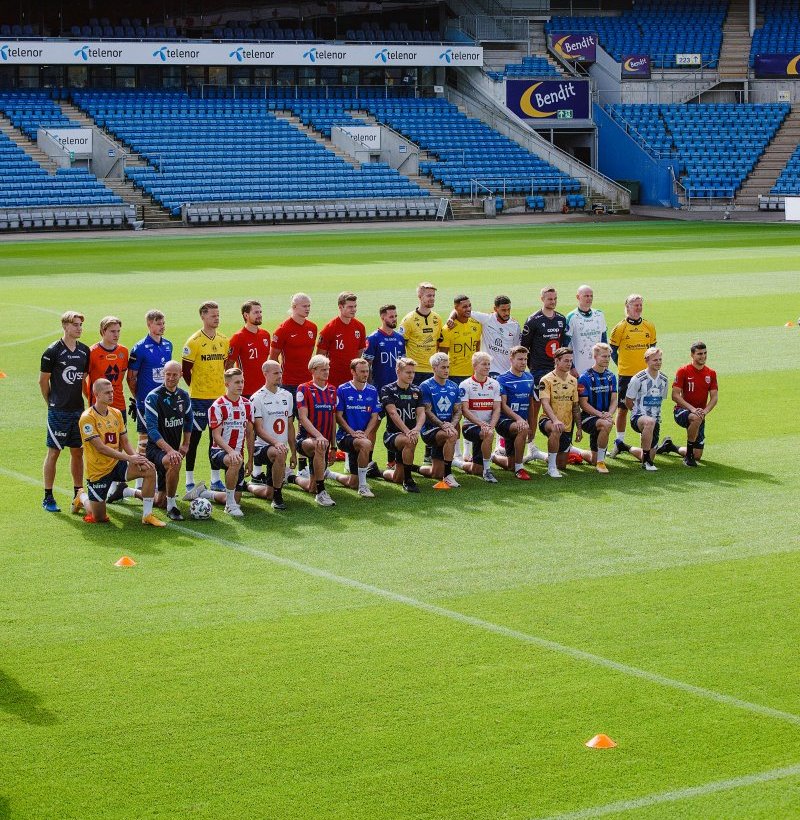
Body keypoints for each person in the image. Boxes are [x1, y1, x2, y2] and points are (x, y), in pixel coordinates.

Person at [76, 378, 164, 526]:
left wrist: (136, 458)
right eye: (107, 393)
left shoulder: (116, 413)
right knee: (99, 517)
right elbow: (101, 448)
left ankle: (147, 515)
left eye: (112, 391)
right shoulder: (87, 418)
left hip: (116, 464)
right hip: (98, 472)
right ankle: (82, 497)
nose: (111, 395)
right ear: (96, 394)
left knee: (149, 469)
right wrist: (129, 458)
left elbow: (125, 442)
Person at [40, 310, 90, 514]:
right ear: (65, 326)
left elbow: (83, 377)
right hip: (58, 411)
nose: (79, 328)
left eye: (80, 325)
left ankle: (78, 493)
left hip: (78, 410)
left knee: (78, 452)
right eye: (75, 324)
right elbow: (43, 381)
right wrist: (51, 402)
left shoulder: (85, 351)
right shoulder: (52, 351)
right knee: (54, 452)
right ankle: (48, 496)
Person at [182, 301, 229, 493]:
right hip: (199, 400)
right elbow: (186, 372)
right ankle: (189, 479)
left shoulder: (224, 340)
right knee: (193, 439)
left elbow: (224, 366)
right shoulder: (193, 342)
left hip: (218, 399)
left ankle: (215, 479)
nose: (216, 318)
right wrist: (197, 389)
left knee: (216, 439)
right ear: (203, 316)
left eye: (218, 315)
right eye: (212, 315)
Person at [270, 293, 317, 472]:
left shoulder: (312, 327)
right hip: (288, 384)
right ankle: (287, 463)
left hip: (306, 385)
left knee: (305, 423)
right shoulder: (282, 329)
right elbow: (273, 359)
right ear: (294, 307)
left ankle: (304, 467)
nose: (307, 308)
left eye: (308, 306)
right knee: (287, 424)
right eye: (304, 306)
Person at [521, 286, 567, 463]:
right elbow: (525, 347)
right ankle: (531, 446)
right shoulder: (533, 320)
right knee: (535, 407)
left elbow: (563, 346)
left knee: (559, 405)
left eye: (555, 298)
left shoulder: (561, 319)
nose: (553, 302)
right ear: (542, 299)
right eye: (549, 299)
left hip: (556, 371)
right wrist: (530, 368)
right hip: (539, 371)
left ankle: (559, 445)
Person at [144, 360, 193, 520]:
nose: (171, 378)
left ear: (181, 375)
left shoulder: (183, 396)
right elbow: (151, 430)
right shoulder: (153, 397)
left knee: (159, 501)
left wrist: (185, 444)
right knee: (175, 461)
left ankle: (126, 491)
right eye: (168, 374)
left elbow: (188, 420)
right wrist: (171, 450)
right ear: (163, 374)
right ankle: (172, 506)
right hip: (156, 450)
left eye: (174, 374)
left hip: (171, 450)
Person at [204, 367, 256, 517]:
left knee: (237, 498)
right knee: (234, 462)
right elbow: (216, 436)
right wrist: (231, 451)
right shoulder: (217, 406)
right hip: (219, 452)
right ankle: (229, 506)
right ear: (227, 384)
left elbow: (250, 433)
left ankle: (206, 493)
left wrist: (250, 459)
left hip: (238, 456)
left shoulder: (247, 405)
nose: (241, 385)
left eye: (242, 382)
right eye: (236, 382)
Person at [609, 294, 657, 457]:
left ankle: (646, 444)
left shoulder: (649, 327)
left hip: (645, 376)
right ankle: (618, 442)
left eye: (640, 305)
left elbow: (653, 351)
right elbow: (612, 351)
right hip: (627, 375)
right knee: (622, 409)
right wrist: (622, 365)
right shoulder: (620, 327)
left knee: (647, 408)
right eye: (635, 305)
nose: (638, 307)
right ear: (627, 307)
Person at [658, 341, 718, 466]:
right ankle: (688, 457)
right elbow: (675, 395)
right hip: (681, 411)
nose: (703, 356)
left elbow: (714, 397)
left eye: (705, 353)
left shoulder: (711, 373)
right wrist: (693, 409)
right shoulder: (683, 371)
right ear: (692, 355)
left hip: (700, 415)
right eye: (699, 354)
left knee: (698, 455)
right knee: (695, 418)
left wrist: (705, 411)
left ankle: (671, 446)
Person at [248, 360, 296, 509]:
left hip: (279, 448)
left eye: (280, 372)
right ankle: (278, 495)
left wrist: (294, 452)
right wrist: (276, 443)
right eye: (276, 373)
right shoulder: (257, 398)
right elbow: (259, 429)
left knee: (266, 493)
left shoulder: (287, 396)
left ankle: (248, 486)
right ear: (265, 374)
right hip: (261, 447)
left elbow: (289, 425)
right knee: (280, 453)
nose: (280, 375)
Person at [363, 304, 406, 469]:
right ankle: (367, 461)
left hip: (396, 390)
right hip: (379, 390)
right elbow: (366, 365)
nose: (394, 319)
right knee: (373, 426)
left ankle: (392, 461)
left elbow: (402, 365)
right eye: (390, 316)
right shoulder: (373, 338)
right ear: (382, 317)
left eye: (395, 316)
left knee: (396, 425)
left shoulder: (400, 339)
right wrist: (371, 388)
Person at [294, 355, 339, 507]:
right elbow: (303, 417)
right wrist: (319, 435)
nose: (326, 372)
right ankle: (321, 493)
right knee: (319, 445)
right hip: (305, 440)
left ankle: (291, 479)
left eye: (328, 369)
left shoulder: (332, 390)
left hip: (324, 443)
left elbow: (333, 420)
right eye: (323, 369)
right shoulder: (304, 388)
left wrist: (334, 446)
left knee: (310, 487)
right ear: (313, 371)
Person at [334, 358, 381, 498]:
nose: (365, 374)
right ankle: (363, 486)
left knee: (352, 483)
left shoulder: (372, 390)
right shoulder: (343, 390)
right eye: (362, 371)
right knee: (366, 444)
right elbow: (338, 416)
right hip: (345, 436)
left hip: (362, 437)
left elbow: (374, 417)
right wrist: (353, 433)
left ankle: (329, 474)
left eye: (367, 371)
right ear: (352, 372)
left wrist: (365, 434)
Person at [379, 357, 426, 493]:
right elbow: (393, 413)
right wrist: (407, 431)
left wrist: (416, 429)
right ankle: (409, 480)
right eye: (408, 372)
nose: (411, 375)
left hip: (409, 434)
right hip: (392, 435)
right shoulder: (387, 389)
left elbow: (421, 413)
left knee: (397, 478)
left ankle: (378, 472)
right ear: (398, 372)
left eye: (413, 372)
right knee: (409, 440)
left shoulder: (417, 390)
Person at [538, 347, 583, 479]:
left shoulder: (573, 381)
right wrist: (555, 420)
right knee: (556, 429)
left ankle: (540, 455)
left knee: (562, 465)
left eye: (570, 361)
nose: (569, 363)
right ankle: (551, 468)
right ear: (557, 361)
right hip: (548, 420)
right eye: (566, 361)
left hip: (567, 425)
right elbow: (545, 403)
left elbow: (575, 406)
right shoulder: (546, 380)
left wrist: (579, 428)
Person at [418, 352, 462, 489]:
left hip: (446, 428)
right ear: (434, 368)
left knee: (435, 473)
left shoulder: (454, 386)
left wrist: (451, 424)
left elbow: (458, 410)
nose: (447, 370)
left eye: (448, 367)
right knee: (452, 434)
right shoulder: (425, 386)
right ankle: (448, 475)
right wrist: (443, 425)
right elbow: (427, 411)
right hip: (430, 430)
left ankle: (414, 469)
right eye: (443, 367)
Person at [492, 346, 536, 480]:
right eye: (520, 359)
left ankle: (492, 457)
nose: (523, 362)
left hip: (519, 423)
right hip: (504, 422)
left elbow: (531, 404)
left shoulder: (529, 377)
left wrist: (532, 428)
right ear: (511, 360)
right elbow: (503, 405)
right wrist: (519, 419)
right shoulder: (502, 379)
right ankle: (520, 468)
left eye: (525, 359)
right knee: (522, 429)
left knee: (509, 465)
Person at [458, 351, 501, 483]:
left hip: (486, 428)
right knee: (487, 433)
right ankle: (487, 471)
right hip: (470, 427)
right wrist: (481, 424)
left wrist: (491, 426)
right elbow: (464, 410)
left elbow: (497, 408)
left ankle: (457, 463)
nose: (487, 367)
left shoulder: (494, 384)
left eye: (489, 364)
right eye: (484, 364)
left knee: (476, 469)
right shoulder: (465, 385)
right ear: (475, 366)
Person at [624, 347, 669, 471]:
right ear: (647, 361)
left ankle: (624, 446)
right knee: (649, 422)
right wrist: (638, 413)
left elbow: (660, 400)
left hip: (655, 420)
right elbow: (628, 401)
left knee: (650, 454)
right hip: (638, 418)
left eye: (660, 359)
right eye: (655, 360)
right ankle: (646, 463)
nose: (658, 362)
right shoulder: (638, 379)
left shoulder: (664, 379)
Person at [577, 343, 618, 474]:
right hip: (588, 417)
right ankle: (601, 463)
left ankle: (576, 451)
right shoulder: (585, 377)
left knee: (592, 460)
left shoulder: (611, 376)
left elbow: (614, 400)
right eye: (604, 356)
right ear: (595, 357)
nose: (607, 359)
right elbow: (583, 404)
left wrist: (609, 414)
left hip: (604, 417)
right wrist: (601, 415)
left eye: (609, 356)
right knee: (606, 424)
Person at [317, 291, 367, 388]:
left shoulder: (360, 327)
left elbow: (359, 351)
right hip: (332, 381)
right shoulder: (329, 328)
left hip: (351, 380)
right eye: (350, 307)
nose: (354, 310)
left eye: (355, 306)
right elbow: (320, 356)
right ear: (340, 307)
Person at [226, 300, 271, 399]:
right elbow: (229, 364)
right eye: (255, 312)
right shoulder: (238, 337)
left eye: (260, 312)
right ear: (246, 315)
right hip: (246, 391)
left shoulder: (265, 335)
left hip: (264, 389)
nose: (259, 315)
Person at [85, 316, 129, 415]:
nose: (116, 335)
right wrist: (92, 396)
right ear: (103, 332)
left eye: (118, 331)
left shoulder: (124, 351)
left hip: (119, 404)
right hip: (99, 406)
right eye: (112, 331)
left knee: (121, 431)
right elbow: (82, 380)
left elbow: (120, 378)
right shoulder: (92, 352)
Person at [400, 282, 442, 386]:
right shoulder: (408, 320)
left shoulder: (437, 318)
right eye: (428, 296)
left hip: (432, 369)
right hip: (415, 370)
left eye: (433, 296)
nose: (432, 298)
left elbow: (438, 343)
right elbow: (401, 346)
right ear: (420, 297)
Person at [470, 295, 522, 378]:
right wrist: (451, 318)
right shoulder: (487, 319)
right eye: (503, 310)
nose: (507, 313)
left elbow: (516, 350)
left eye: (509, 309)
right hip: (490, 370)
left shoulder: (515, 326)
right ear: (495, 309)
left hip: (507, 371)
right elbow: (463, 310)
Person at [564, 285, 607, 378]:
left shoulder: (599, 315)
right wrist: (572, 367)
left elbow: (604, 341)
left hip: (598, 366)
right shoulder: (572, 317)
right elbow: (565, 344)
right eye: (586, 296)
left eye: (591, 296)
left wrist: (605, 361)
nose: (589, 298)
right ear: (578, 297)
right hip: (579, 369)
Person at [439, 294, 482, 382]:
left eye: (470, 306)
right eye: (464, 307)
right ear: (456, 308)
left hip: (473, 374)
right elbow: (443, 356)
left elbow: (477, 349)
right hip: (454, 375)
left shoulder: (477, 325)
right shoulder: (448, 329)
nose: (469, 309)